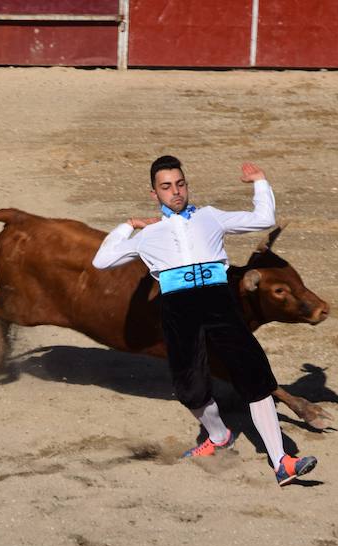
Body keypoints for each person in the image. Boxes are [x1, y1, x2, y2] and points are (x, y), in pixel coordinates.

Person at [92, 155, 317, 486]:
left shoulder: (211, 217)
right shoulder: (147, 236)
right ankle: (218, 435)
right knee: (190, 385)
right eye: (166, 187)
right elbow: (102, 260)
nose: (176, 192)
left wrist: (260, 182)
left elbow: (262, 217)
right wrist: (129, 225)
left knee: (254, 377)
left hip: (218, 303)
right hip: (178, 310)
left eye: (180, 184)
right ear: (155, 193)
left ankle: (281, 461)